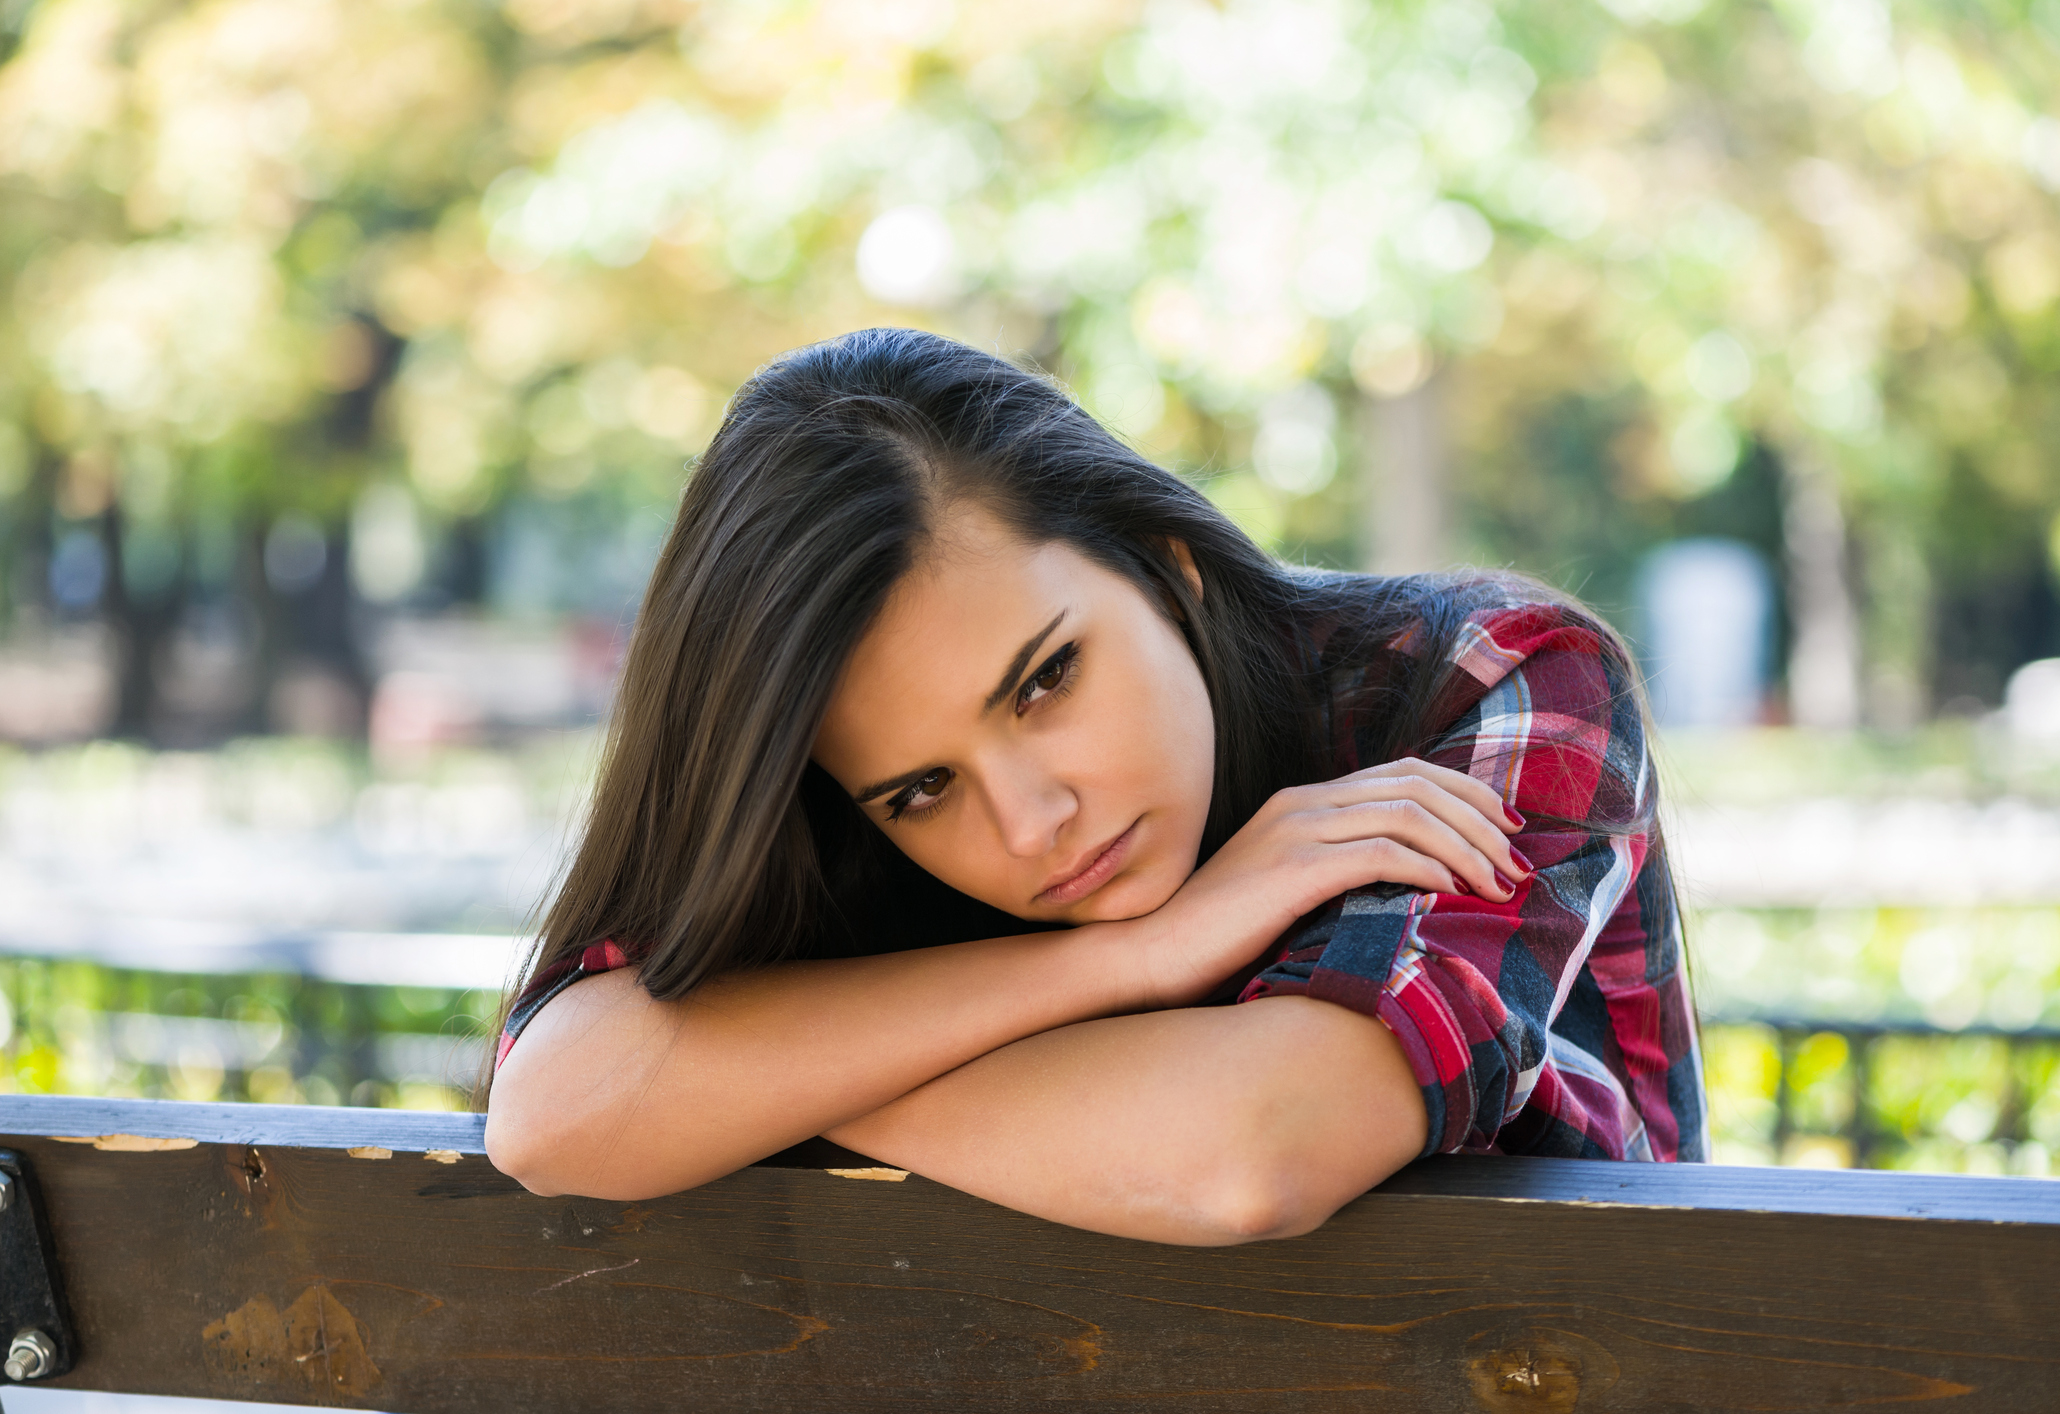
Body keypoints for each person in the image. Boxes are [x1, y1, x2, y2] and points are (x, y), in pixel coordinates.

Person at [482, 328, 1705, 1246]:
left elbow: (1252, 1151)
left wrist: (768, 1085)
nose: (1032, 824)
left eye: (1045, 680)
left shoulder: (1488, 679)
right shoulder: (837, 825)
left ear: (1166, 566)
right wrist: (1132, 957)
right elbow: (555, 1111)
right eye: (920, 790)